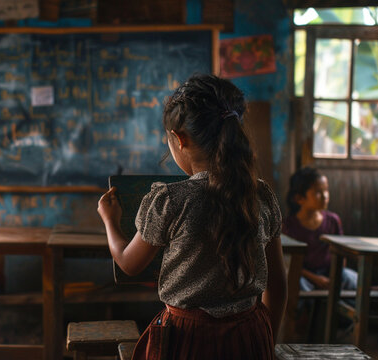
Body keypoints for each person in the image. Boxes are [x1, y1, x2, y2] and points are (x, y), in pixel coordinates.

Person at [97, 74, 287, 359]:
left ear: (179, 139)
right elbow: (278, 285)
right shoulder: (261, 195)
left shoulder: (170, 200)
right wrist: (265, 342)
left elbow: (128, 263)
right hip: (251, 335)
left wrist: (110, 220)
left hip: (188, 340)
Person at [282, 167, 357, 292]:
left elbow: (342, 253)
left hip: (331, 274)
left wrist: (335, 276)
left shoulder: (333, 220)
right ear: (299, 198)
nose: (325, 196)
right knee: (296, 283)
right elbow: (288, 263)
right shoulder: (288, 225)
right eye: (318, 192)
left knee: (353, 279)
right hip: (305, 276)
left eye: (326, 190)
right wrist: (316, 279)